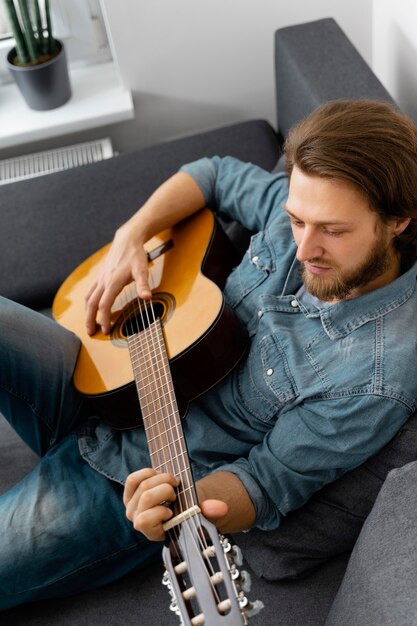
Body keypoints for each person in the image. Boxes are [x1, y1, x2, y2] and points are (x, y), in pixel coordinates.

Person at [1, 98, 417, 610]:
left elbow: (264, 482)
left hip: (131, 475)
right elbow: (212, 175)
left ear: (398, 221)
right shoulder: (307, 210)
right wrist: (130, 237)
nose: (305, 248)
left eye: (333, 231)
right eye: (296, 220)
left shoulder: (375, 375)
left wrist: (183, 507)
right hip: (95, 371)